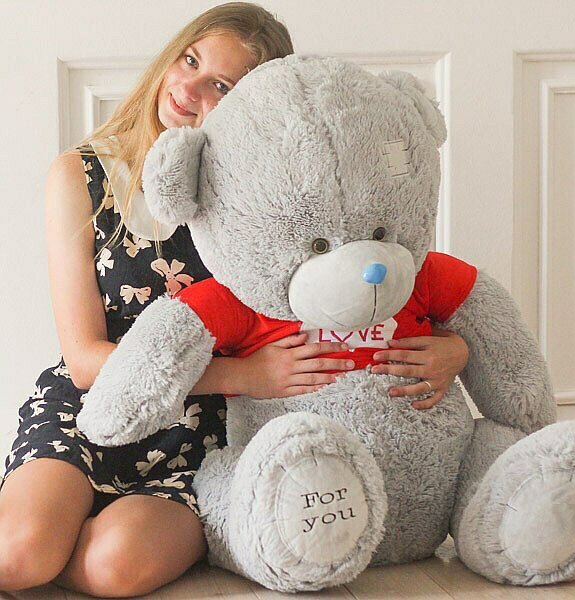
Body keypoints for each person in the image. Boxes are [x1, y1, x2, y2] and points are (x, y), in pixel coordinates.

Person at [0, 3, 469, 596]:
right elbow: (85, 359)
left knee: (112, 568)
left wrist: (455, 347)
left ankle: (73, 535)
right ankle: (51, 527)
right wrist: (243, 374)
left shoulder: (269, 200)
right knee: (21, 556)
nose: (188, 88)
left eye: (221, 86)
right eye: (190, 60)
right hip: (93, 408)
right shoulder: (82, 175)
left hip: (205, 439)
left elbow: (363, 296)